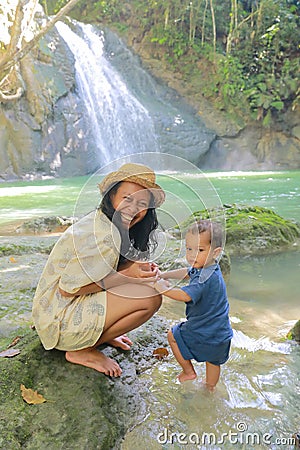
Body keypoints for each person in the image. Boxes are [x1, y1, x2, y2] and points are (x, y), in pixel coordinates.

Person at [32, 163, 165, 377]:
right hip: (59, 320)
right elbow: (69, 289)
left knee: (148, 283)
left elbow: (100, 270)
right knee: (151, 298)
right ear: (112, 196)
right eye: (127, 198)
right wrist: (127, 276)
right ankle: (80, 349)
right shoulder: (102, 236)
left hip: (54, 310)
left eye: (141, 203)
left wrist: (136, 269)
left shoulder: (105, 222)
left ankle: (99, 332)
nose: (133, 208)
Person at [152, 219, 233, 390]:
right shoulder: (209, 266)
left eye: (200, 250)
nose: (192, 255)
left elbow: (185, 295)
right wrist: (165, 275)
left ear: (216, 252)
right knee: (213, 361)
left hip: (204, 330)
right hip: (221, 332)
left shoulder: (204, 278)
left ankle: (188, 371)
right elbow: (188, 273)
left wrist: (162, 290)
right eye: (189, 249)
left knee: (173, 335)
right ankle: (210, 388)